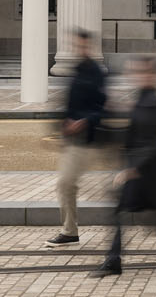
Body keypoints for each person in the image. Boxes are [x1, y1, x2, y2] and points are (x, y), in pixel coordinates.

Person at [95, 56, 156, 276]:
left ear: (154, 76)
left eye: (143, 72)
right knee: (121, 211)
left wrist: (131, 169)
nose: (137, 76)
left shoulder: (152, 103)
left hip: (150, 172)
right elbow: (132, 133)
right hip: (140, 169)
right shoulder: (141, 98)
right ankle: (113, 260)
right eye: (136, 72)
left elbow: (150, 143)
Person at [46, 29, 109, 247]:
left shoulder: (96, 73)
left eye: (82, 45)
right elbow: (69, 104)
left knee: (67, 183)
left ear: (89, 46)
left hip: (87, 139)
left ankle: (70, 232)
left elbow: (103, 108)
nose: (78, 49)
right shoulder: (78, 70)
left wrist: (84, 121)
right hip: (73, 139)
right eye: (76, 45)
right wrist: (61, 127)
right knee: (66, 184)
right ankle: (70, 231)